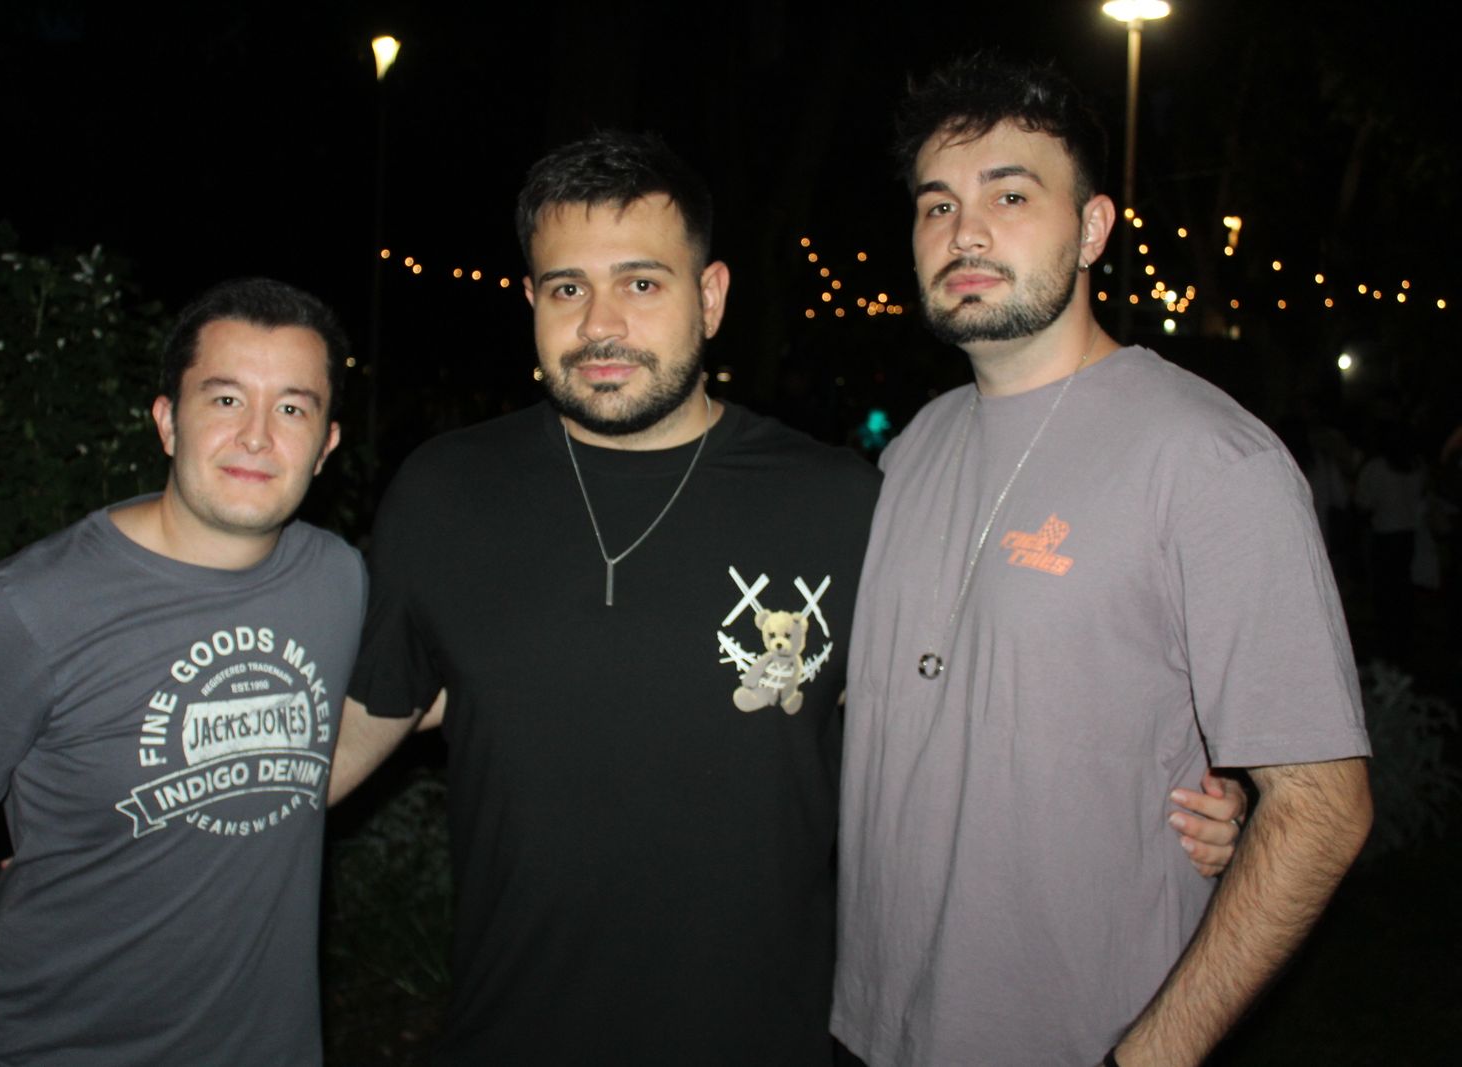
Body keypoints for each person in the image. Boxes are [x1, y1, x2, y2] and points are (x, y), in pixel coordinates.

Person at [330, 131, 1242, 1065]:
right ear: (530, 301)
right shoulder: (444, 495)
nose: (600, 324)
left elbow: (968, 718)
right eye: (568, 288)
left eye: (642, 283)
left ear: (711, 296)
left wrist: (1190, 796)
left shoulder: (840, 503)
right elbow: (353, 726)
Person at [831, 57, 1373, 1067]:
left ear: (1091, 230)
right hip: (871, 1028)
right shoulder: (911, 447)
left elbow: (1323, 803)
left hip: (1078, 1038)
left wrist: (1148, 1054)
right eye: (936, 203)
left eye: (1011, 193)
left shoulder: (1212, 459)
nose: (966, 230)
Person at [0, 278, 365, 1067]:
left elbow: (337, 742)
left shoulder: (340, 582)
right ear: (168, 421)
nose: (259, 436)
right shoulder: (29, 610)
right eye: (226, 399)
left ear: (327, 444)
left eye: (293, 408)